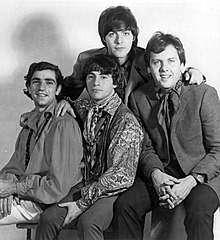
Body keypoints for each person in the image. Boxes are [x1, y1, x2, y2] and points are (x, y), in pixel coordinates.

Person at [113, 32, 220, 240]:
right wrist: (156, 175)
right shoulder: (138, 98)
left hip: (204, 174)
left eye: (171, 61)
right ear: (148, 68)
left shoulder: (204, 93)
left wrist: (191, 181)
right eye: (156, 62)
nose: (164, 69)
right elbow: (143, 148)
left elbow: (218, 149)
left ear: (182, 65)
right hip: (163, 171)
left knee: (198, 211)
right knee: (125, 205)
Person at [34, 54, 144, 240]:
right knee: (48, 218)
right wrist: (64, 102)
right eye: (91, 76)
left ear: (115, 82)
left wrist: (82, 202)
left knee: (89, 223)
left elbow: (121, 175)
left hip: (112, 189)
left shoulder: (126, 121)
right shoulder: (85, 107)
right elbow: (60, 104)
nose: (96, 82)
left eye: (103, 77)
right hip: (84, 183)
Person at [56, 5, 204, 116]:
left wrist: (192, 72)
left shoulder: (147, 58)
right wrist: (66, 101)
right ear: (103, 38)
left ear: (133, 37)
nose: (119, 41)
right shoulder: (87, 59)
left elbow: (170, 70)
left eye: (126, 33)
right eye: (112, 34)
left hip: (142, 127)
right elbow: (68, 89)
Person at [0, 62, 83, 225]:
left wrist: (14, 188)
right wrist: (8, 189)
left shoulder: (63, 124)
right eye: (36, 82)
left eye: (49, 82)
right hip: (26, 193)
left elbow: (57, 187)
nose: (41, 87)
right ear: (29, 88)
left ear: (58, 90)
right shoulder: (29, 123)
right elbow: (15, 167)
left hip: (46, 202)